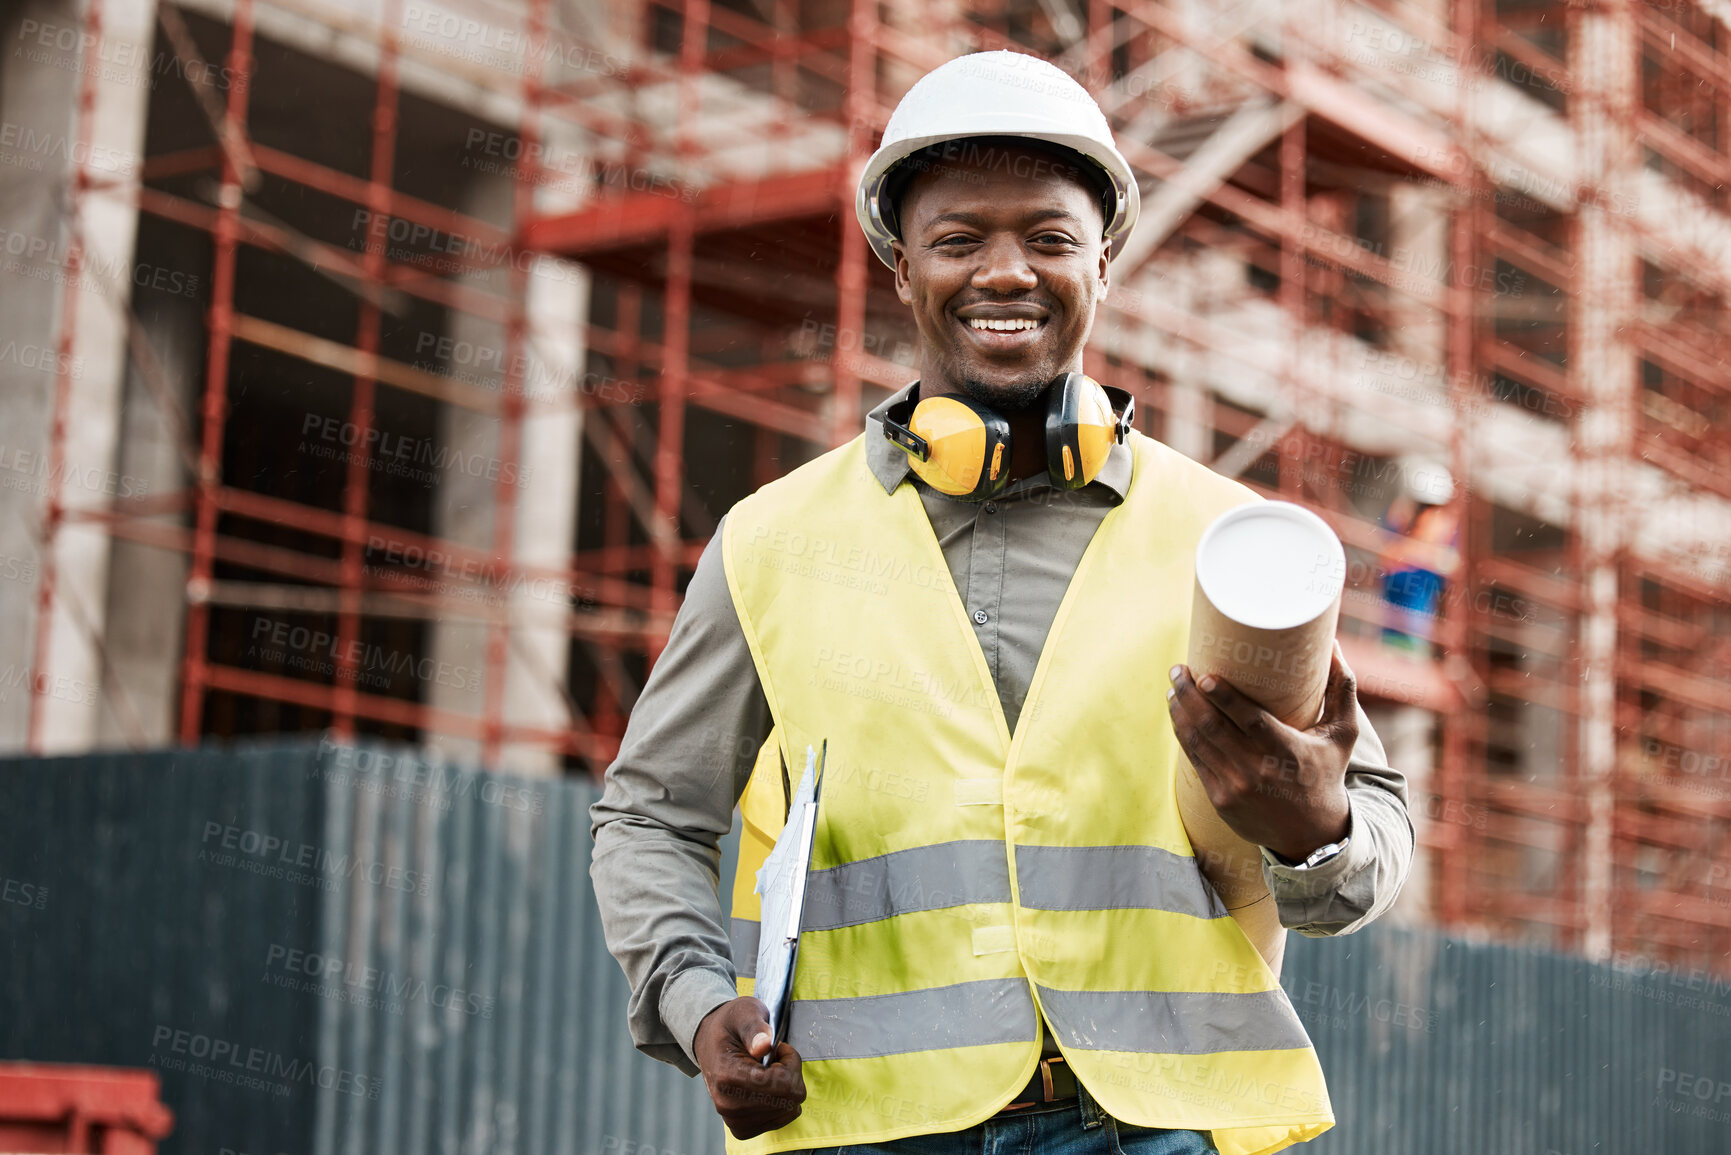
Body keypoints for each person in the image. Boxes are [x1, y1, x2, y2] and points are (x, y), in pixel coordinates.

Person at [590, 50, 1414, 1155]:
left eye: (1050, 237)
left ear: (1106, 263)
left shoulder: (1227, 543)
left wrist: (1315, 831)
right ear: (901, 269)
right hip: (869, 1126)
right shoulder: (774, 543)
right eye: (959, 239)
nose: (1006, 271)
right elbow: (650, 816)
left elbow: (1367, 858)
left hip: (1150, 1127)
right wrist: (697, 1006)